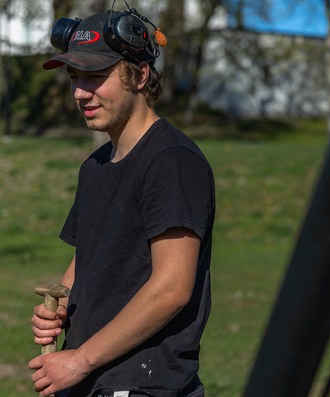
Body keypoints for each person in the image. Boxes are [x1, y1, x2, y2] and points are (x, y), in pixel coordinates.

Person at [28, 8, 214, 397]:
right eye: (75, 77)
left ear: (140, 75)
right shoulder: (95, 166)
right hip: (91, 381)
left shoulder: (172, 160)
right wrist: (59, 309)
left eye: (96, 76)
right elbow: (88, 260)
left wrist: (80, 360)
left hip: (143, 384)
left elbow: (172, 288)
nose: (80, 92)